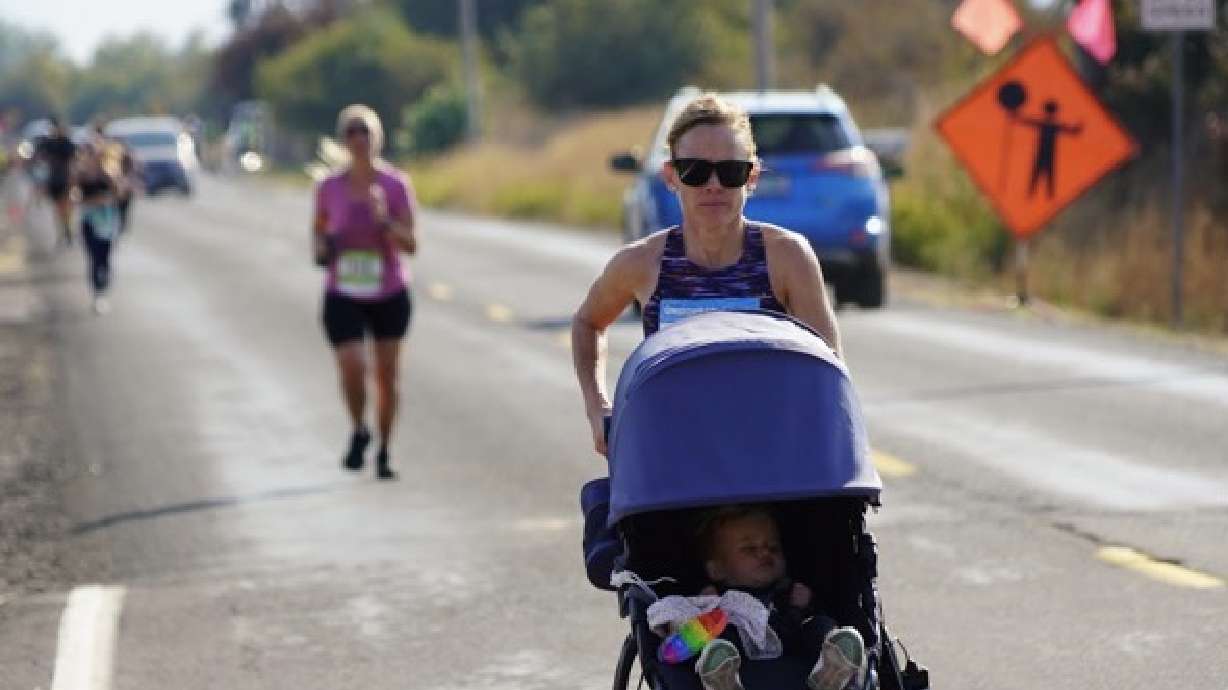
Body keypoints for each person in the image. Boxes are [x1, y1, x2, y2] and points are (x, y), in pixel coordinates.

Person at [571, 94, 842, 456]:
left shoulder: (787, 257)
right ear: (671, 176)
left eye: (729, 172)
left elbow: (827, 370)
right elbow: (588, 322)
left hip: (767, 451)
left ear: (752, 176)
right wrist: (598, 406)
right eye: (695, 172)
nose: (713, 185)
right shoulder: (643, 263)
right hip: (672, 454)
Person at [312, 104, 418, 480]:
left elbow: (412, 244)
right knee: (354, 366)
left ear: (377, 138)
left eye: (365, 132)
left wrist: (384, 220)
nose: (358, 139)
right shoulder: (327, 188)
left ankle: (385, 451)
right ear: (343, 141)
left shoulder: (395, 185)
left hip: (388, 290)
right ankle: (359, 428)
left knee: (387, 376)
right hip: (343, 290)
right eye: (351, 133)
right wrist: (326, 246)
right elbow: (317, 244)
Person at [689, 506, 866, 690]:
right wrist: (705, 612)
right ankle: (719, 676)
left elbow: (803, 621)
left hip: (791, 644)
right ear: (717, 569)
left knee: (819, 624)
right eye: (749, 549)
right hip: (739, 654)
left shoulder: (789, 591)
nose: (765, 553)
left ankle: (832, 669)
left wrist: (802, 607)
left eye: (773, 548)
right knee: (715, 636)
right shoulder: (715, 599)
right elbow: (677, 642)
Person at [75, 144, 121, 314]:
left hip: (107, 222)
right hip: (89, 221)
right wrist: (94, 200)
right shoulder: (82, 175)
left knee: (105, 258)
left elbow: (119, 195)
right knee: (93, 258)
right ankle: (97, 294)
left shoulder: (109, 174)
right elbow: (75, 196)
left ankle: (104, 287)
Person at [35, 117, 77, 247]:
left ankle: (67, 230)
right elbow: (40, 158)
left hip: (63, 177)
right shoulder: (48, 142)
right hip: (53, 178)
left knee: (65, 206)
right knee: (56, 208)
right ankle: (62, 231)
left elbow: (72, 162)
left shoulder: (67, 143)